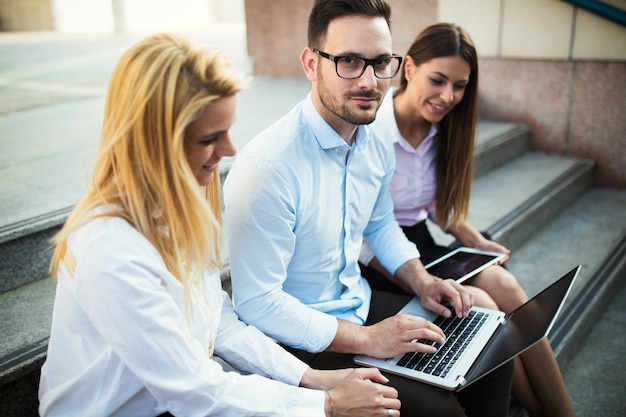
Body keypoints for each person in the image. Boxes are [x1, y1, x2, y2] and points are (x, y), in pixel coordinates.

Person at [38, 33, 402, 417]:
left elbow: (221, 324)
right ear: (154, 143)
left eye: (228, 130)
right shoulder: (110, 249)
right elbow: (194, 390)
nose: (230, 150)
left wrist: (310, 377)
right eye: (210, 138)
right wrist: (326, 405)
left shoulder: (177, 205)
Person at [224, 1, 514, 416]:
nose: (369, 80)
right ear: (311, 63)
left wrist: (423, 282)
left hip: (358, 307)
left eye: (380, 63)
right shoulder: (266, 168)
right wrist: (368, 340)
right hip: (300, 343)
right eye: (349, 61)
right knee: (440, 411)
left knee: (494, 343)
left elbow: (380, 227)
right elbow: (258, 304)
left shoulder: (374, 138)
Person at [358, 23, 577, 417]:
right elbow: (367, 233)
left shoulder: (444, 130)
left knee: (503, 282)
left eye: (459, 86)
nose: (447, 97)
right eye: (438, 80)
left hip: (423, 241)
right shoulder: (371, 129)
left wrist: (480, 244)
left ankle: (561, 411)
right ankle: (533, 405)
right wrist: (420, 278)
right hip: (382, 258)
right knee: (486, 306)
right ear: (409, 68)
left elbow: (443, 209)